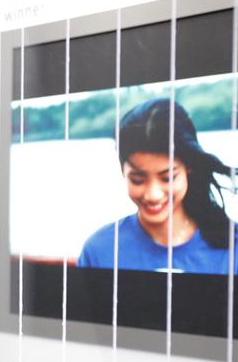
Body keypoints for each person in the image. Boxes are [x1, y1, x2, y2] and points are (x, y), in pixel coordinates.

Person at [79, 98, 238, 274]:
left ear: (189, 168)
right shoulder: (99, 252)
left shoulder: (233, 246)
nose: (153, 195)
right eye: (137, 180)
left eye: (167, 178)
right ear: (123, 171)